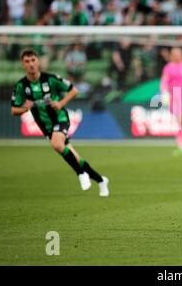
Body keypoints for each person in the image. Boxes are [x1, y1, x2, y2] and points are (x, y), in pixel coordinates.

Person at [11, 49, 109, 197]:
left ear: (38, 61)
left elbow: (73, 90)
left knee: (57, 144)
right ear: (23, 64)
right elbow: (14, 110)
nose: (31, 64)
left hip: (60, 119)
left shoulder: (50, 79)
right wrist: (26, 107)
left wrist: (61, 103)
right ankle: (101, 180)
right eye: (27, 61)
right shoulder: (21, 86)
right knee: (75, 157)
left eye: (33, 60)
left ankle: (80, 173)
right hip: (46, 127)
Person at [160, 47, 182, 155]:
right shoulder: (168, 67)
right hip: (174, 97)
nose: (177, 55)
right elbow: (164, 81)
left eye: (179, 53)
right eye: (175, 54)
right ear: (171, 55)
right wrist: (164, 93)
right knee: (180, 122)